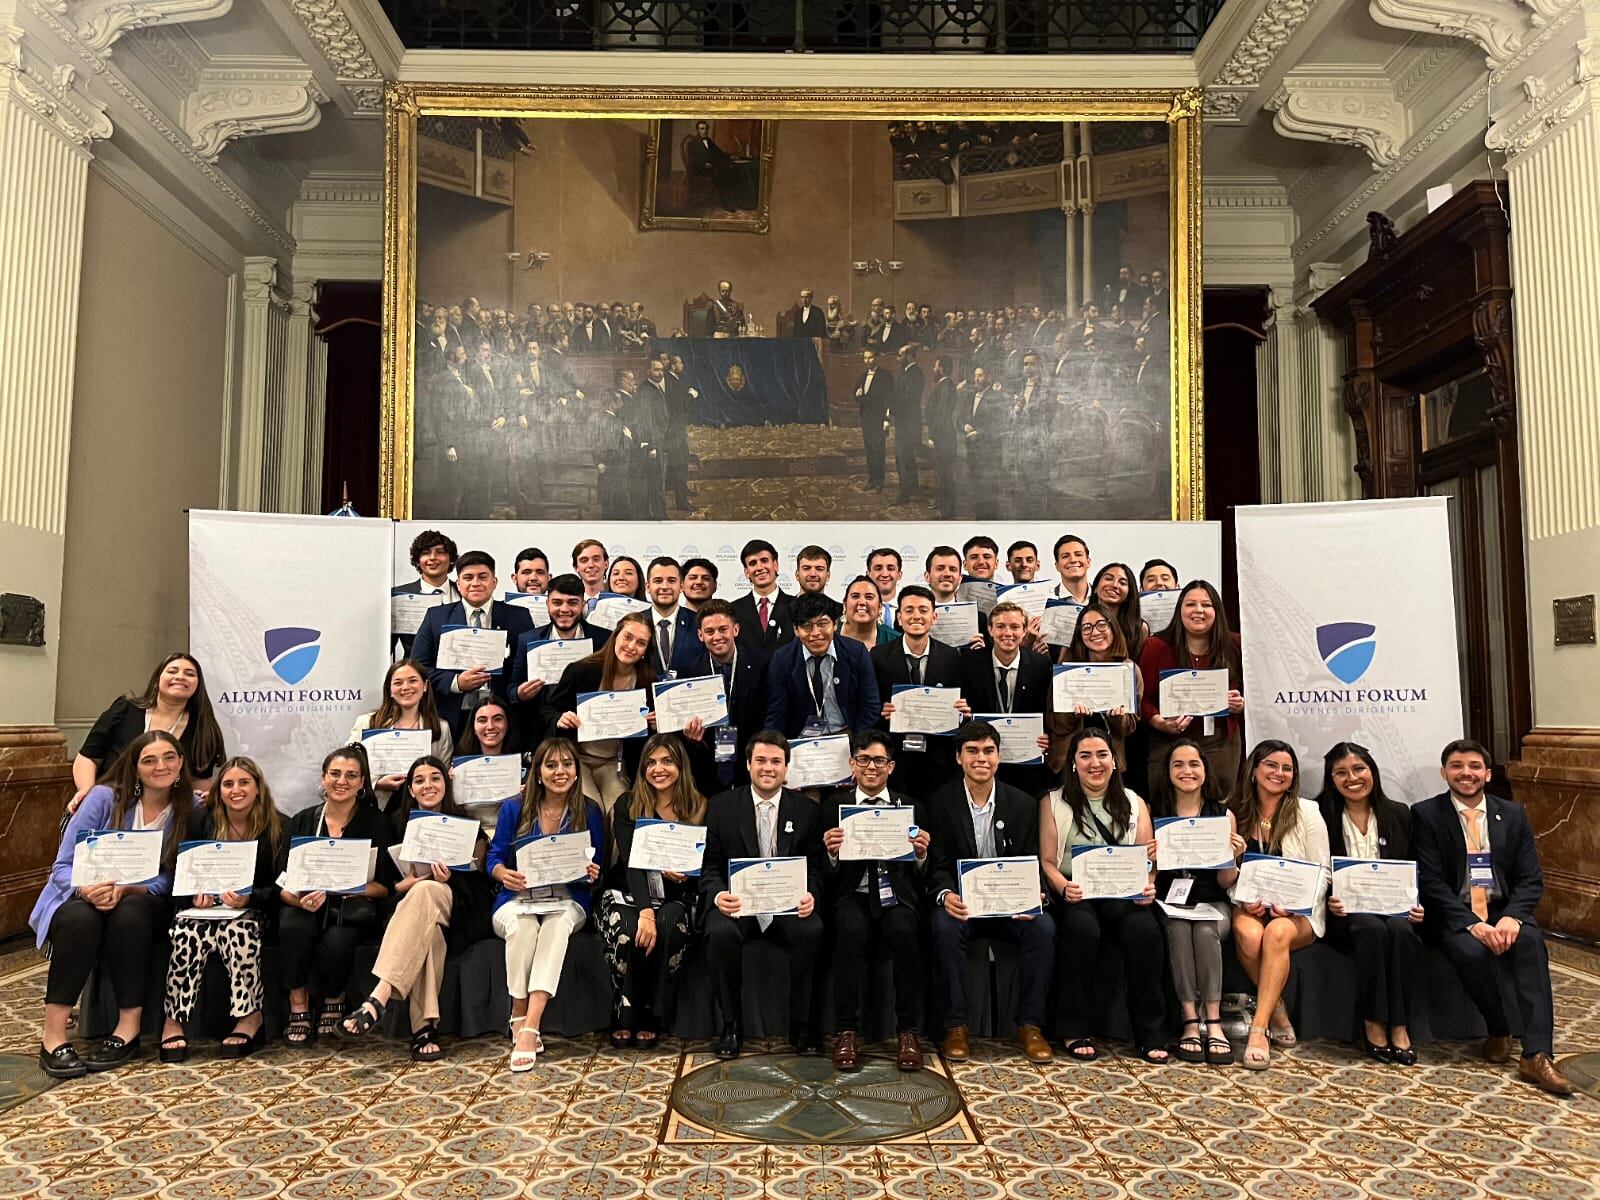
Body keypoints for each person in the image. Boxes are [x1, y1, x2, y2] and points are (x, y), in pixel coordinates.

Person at [1412, 739, 1572, 1095]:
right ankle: (1498, 1028)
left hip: (1504, 911)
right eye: (1456, 766)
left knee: (1531, 944)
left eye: (1473, 766)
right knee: (1469, 951)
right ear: (1444, 773)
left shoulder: (1512, 814)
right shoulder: (1425, 814)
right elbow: (1430, 880)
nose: (1465, 773)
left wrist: (1513, 917)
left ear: (1486, 773)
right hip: (1456, 913)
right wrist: (1473, 924)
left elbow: (1531, 878)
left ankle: (1537, 1053)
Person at [32, 731, 192, 1078]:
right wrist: (86, 890)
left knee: (130, 914)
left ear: (181, 764)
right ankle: (53, 1037)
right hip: (81, 893)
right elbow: (62, 865)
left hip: (143, 900)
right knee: (79, 920)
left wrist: (132, 889)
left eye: (168, 758)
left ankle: (128, 1029)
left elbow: (172, 877)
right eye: (148, 760)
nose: (160, 766)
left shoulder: (189, 809)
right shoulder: (104, 798)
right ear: (134, 767)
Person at [338, 756, 493, 1061]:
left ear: (445, 784)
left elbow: (481, 879)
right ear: (410, 789)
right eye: (419, 780)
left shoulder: (468, 825)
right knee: (427, 924)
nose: (428, 785)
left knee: (430, 890)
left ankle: (379, 995)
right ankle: (424, 1029)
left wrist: (452, 876)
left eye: (435, 778)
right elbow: (384, 885)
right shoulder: (394, 825)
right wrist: (405, 884)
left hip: (460, 908)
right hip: (410, 912)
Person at [925, 721, 1056, 1064]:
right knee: (943, 927)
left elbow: (1032, 861)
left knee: (1043, 928)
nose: (981, 759)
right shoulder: (938, 802)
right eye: (972, 751)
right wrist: (944, 894)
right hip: (964, 904)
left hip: (1010, 906)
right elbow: (937, 865)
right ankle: (956, 1026)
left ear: (999, 757)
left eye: (988, 751)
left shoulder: (1023, 804)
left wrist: (1034, 895)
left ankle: (1031, 1025)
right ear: (958, 758)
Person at [1040, 728, 1167, 1062]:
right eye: (1085, 756)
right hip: (1076, 893)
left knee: (1146, 931)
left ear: (1115, 761)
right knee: (1082, 930)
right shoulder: (1054, 802)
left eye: (1102, 755)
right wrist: (1062, 886)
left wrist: (1148, 883)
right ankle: (1074, 1027)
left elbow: (1148, 859)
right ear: (1073, 763)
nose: (1094, 763)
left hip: (1123, 895)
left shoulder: (1135, 803)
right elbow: (1047, 861)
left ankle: (1150, 1032)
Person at [699, 731, 827, 1059]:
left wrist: (811, 894)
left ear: (786, 767)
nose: (767, 768)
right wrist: (717, 896)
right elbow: (710, 865)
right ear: (747, 764)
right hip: (738, 905)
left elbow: (816, 867)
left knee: (812, 929)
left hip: (787, 907)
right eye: (760, 760)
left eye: (775, 761)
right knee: (718, 931)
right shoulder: (721, 806)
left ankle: (801, 1025)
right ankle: (732, 1025)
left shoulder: (807, 811)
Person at [487, 738, 605, 1071]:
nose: (560, 772)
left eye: (567, 764)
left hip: (567, 899)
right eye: (551, 765)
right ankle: (518, 1012)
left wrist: (591, 873)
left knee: (556, 927)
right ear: (537, 772)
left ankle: (530, 1024)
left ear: (576, 770)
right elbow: (494, 857)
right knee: (522, 929)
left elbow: (597, 867)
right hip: (517, 898)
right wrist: (502, 872)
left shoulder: (590, 811)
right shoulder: (514, 807)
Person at [159, 757, 282, 1064]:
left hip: (254, 911)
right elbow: (180, 875)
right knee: (187, 928)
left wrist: (250, 899)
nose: (235, 790)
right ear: (219, 790)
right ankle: (174, 1020)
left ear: (258, 788)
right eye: (228, 784)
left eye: (243, 783)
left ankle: (250, 1017)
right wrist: (192, 897)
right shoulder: (202, 821)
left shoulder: (278, 825)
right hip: (205, 910)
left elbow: (282, 887)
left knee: (238, 930)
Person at [821, 732, 930, 1071]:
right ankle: (846, 1031)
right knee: (850, 929)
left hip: (895, 895)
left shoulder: (911, 807)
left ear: (891, 767)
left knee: (905, 928)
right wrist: (831, 853)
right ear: (852, 765)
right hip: (853, 892)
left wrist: (921, 855)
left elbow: (923, 872)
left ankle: (907, 1033)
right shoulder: (832, 808)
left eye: (879, 760)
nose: (872, 767)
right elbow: (821, 870)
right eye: (864, 760)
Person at [278, 745, 399, 1049]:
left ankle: (335, 997)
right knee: (293, 928)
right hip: (304, 903)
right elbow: (283, 881)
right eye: (335, 774)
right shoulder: (302, 821)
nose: (341, 781)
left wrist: (344, 886)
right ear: (323, 778)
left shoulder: (377, 823)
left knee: (338, 941)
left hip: (351, 906)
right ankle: (298, 1003)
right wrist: (299, 900)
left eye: (351, 775)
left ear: (361, 783)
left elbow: (385, 886)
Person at [1315, 742, 1425, 1065]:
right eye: (1341, 772)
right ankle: (1374, 1021)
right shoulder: (1319, 814)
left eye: (1359, 769)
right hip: (1343, 914)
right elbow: (1312, 867)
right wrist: (1328, 898)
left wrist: (1416, 904)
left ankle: (1401, 1024)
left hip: (1394, 909)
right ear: (1330, 778)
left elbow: (1414, 868)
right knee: (1371, 928)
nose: (1352, 778)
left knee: (1402, 932)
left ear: (1372, 771)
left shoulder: (1399, 813)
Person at [600, 734, 706, 1045]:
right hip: (629, 892)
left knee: (670, 922)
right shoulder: (628, 804)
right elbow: (634, 862)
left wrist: (687, 874)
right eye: (651, 762)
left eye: (667, 761)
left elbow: (699, 861)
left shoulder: (698, 805)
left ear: (680, 766)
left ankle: (651, 1013)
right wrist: (645, 909)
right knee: (632, 927)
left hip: (674, 897)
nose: (658, 769)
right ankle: (625, 1012)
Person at [1229, 741, 1329, 1070]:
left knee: (1275, 934)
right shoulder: (1233, 811)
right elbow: (1225, 873)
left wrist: (1295, 906)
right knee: (1248, 937)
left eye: (1287, 768)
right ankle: (1278, 1009)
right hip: (1250, 906)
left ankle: (1258, 1031)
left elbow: (1323, 873)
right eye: (1271, 765)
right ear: (1254, 771)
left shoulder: (1308, 812)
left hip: (1296, 913)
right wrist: (1242, 898)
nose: (1279, 773)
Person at [1150, 739, 1243, 1065]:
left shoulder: (1223, 815)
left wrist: (1233, 858)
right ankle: (1190, 1019)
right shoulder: (1154, 813)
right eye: (1178, 765)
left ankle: (1213, 1021)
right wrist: (1152, 861)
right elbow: (1151, 877)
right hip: (1170, 903)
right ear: (1168, 771)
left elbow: (1225, 883)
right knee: (1177, 928)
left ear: (1205, 770)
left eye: (1194, 764)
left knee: (1204, 930)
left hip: (1212, 904)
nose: (1186, 771)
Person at [73, 653, 226, 805]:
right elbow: (88, 757)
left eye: (190, 674)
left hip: (169, 815)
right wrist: (88, 795)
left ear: (197, 686)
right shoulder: (124, 710)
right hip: (112, 806)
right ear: (157, 680)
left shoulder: (204, 728)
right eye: (172, 671)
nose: (180, 677)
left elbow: (201, 780)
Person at [411, 550, 536, 736]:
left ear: (494, 582)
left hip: (504, 717)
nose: (475, 583)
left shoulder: (518, 616)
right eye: (468, 577)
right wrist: (456, 682)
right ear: (459, 584)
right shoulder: (435, 617)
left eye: (483, 577)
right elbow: (418, 668)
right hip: (453, 715)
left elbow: (528, 667)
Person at [546, 612, 658, 814]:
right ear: (615, 636)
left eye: (641, 643)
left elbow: (646, 736)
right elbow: (548, 709)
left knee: (619, 810)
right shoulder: (581, 670)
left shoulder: (647, 681)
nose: (632, 646)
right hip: (577, 758)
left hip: (614, 762)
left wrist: (653, 725)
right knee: (592, 809)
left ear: (645, 651)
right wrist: (560, 718)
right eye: (627, 637)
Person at [1139, 580, 1245, 792]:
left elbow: (1255, 694)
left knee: (1217, 808)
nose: (1198, 610)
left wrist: (1241, 704)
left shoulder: (1236, 646)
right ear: (1179, 610)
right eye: (1190, 604)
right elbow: (1142, 698)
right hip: (1167, 740)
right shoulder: (1156, 646)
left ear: (1217, 610)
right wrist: (1159, 722)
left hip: (1219, 741)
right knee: (1167, 807)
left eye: (1206, 605)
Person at [871, 585, 966, 801]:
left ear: (934, 617)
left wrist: (962, 711)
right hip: (895, 758)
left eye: (923, 610)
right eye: (909, 610)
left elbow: (963, 704)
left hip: (939, 760)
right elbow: (870, 705)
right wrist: (880, 711)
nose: (916, 616)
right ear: (899, 616)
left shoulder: (951, 657)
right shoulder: (878, 656)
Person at [957, 602, 1053, 796]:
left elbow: (1048, 710)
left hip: (1026, 763)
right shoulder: (969, 663)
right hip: (983, 761)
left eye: (1015, 627)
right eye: (1000, 627)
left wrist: (1047, 736)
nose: (1007, 633)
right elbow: (961, 713)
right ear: (990, 629)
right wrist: (960, 713)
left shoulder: (1041, 665)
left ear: (1025, 631)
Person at [764, 592, 882, 738]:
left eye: (822, 624)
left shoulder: (856, 652)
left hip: (846, 737)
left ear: (835, 624)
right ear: (796, 630)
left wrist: (857, 745)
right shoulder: (782, 659)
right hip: (802, 742)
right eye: (806, 626)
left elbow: (870, 706)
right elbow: (777, 713)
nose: (815, 633)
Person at [682, 599, 770, 793]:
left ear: (735, 630)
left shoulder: (762, 664)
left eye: (723, 629)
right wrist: (692, 738)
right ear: (700, 635)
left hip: (752, 760)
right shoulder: (688, 673)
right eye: (710, 631)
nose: (717, 637)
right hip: (707, 767)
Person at [1048, 602, 1140, 779]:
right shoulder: (1066, 671)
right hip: (1067, 762)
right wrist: (1072, 715)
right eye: (1087, 628)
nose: (1095, 632)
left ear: (1113, 627)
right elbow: (1054, 723)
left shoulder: (1129, 670)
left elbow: (1130, 726)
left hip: (1110, 763)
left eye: (1101, 625)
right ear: (1079, 634)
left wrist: (1118, 718)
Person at [348, 659, 455, 803]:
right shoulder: (367, 723)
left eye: (413, 681)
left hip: (421, 808)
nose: (406, 687)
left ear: (425, 686)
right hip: (377, 806)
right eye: (398, 683)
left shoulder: (441, 728)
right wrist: (378, 783)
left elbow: (443, 775)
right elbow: (347, 769)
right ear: (389, 690)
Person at [453, 696, 526, 834]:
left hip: (512, 835)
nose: (490, 726)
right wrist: (449, 787)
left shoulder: (524, 768)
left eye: (497, 719)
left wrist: (528, 795)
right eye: (482, 720)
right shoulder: (458, 768)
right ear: (473, 727)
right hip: (471, 836)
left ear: (507, 724)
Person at [392, 530, 459, 655]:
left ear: (451, 559)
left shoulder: (465, 592)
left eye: (440, 552)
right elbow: (387, 645)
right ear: (417, 560)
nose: (432, 557)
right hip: (416, 671)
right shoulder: (399, 596)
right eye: (425, 553)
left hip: (458, 673)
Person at [731, 538, 794, 650]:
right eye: (753, 563)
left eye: (764, 560)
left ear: (775, 565)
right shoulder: (733, 610)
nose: (759, 568)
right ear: (746, 572)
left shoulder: (796, 605)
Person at [645, 557, 701, 677]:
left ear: (681, 586)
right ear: (648, 587)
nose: (665, 587)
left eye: (671, 581)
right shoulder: (633, 623)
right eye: (658, 581)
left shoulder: (698, 622)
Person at [924, 357, 959, 517]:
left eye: (935, 366)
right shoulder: (944, 385)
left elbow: (942, 415)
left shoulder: (947, 386)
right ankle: (941, 503)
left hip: (943, 437)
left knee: (945, 474)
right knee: (940, 472)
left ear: (942, 369)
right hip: (942, 435)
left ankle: (947, 511)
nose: (933, 369)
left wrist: (933, 436)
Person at [855, 347, 894, 492]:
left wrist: (887, 419)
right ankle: (871, 479)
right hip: (866, 418)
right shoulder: (863, 375)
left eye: (870, 357)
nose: (867, 361)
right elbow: (855, 392)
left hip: (878, 418)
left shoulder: (886, 375)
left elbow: (888, 399)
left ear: (876, 357)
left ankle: (879, 481)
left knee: (879, 451)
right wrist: (858, 395)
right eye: (865, 358)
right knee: (869, 450)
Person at [1091, 562, 1147, 661]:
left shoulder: (1140, 628)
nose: (1115, 585)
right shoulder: (1078, 621)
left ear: (1128, 594)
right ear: (1095, 587)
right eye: (1108, 579)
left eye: (1122, 583)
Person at [891, 342, 924, 501]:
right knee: (907, 456)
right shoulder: (905, 373)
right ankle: (913, 487)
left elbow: (908, 399)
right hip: (903, 421)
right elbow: (897, 394)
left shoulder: (915, 374)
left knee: (902, 457)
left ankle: (905, 494)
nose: (898, 358)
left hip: (908, 422)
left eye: (901, 355)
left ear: (910, 356)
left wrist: (893, 410)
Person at [839, 576, 899, 652]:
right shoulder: (829, 633)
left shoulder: (895, 641)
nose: (862, 602)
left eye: (869, 597)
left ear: (880, 607)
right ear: (845, 605)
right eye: (855, 596)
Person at [1050, 534, 1093, 604]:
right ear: (1057, 566)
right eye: (1065, 556)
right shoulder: (1046, 601)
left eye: (1078, 554)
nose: (1073, 560)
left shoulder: (1103, 597)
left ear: (1088, 562)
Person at [572, 539, 609, 606]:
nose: (591, 565)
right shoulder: (568, 599)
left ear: (606, 564)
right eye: (584, 561)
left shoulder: (617, 598)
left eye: (596, 559)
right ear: (576, 567)